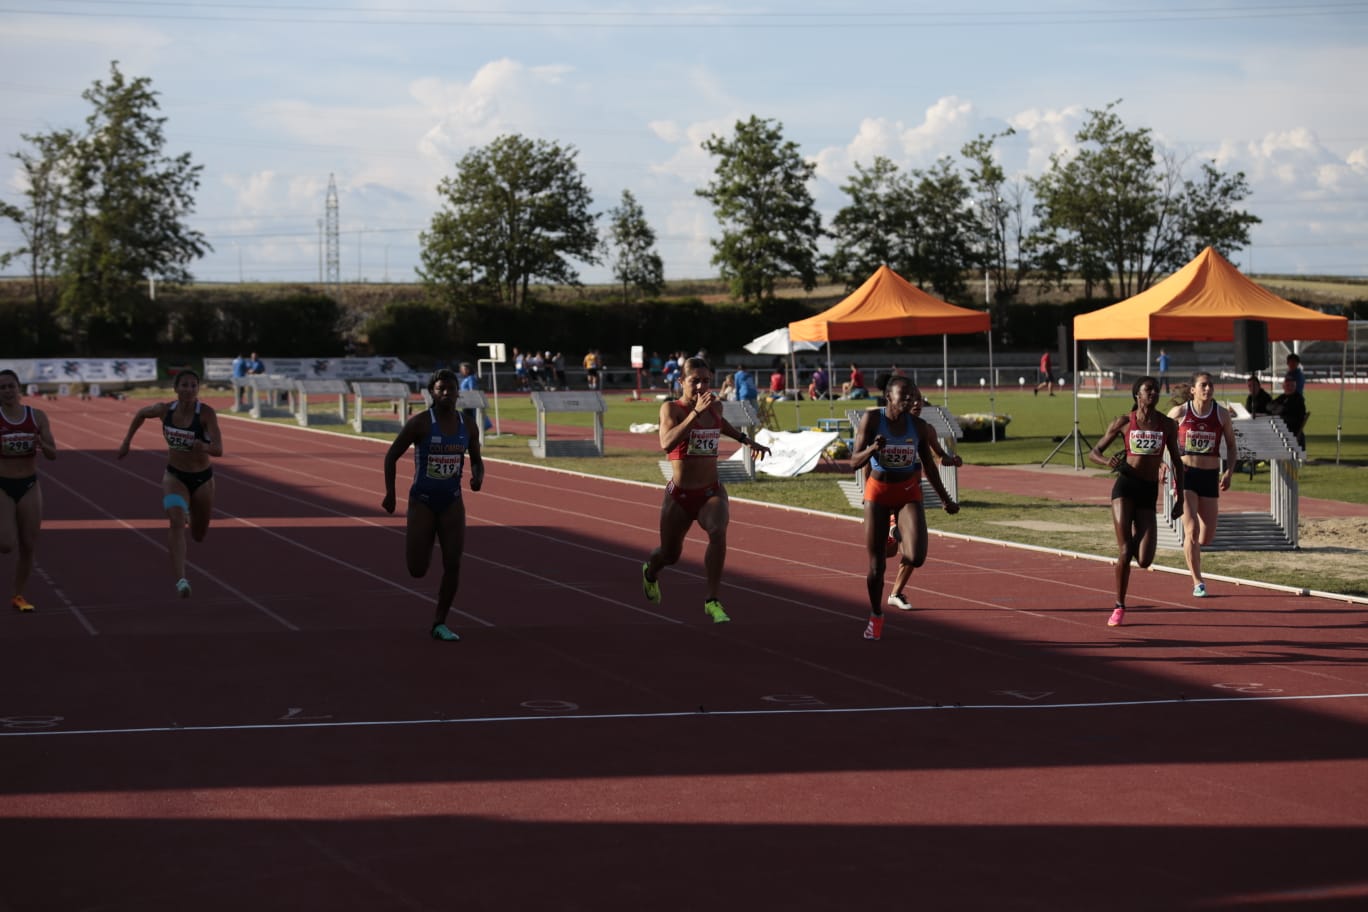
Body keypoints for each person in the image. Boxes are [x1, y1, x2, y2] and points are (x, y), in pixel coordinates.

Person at [641, 357, 770, 623]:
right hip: (679, 495)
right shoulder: (671, 409)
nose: (701, 386)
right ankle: (650, 572)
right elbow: (666, 442)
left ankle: (712, 600)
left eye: (706, 381)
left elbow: (720, 423)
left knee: (717, 531)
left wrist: (745, 440)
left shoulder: (715, 406)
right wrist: (695, 413)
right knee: (670, 554)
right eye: (694, 381)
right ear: (681, 382)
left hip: (711, 492)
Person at [850, 376, 959, 640]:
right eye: (905, 396)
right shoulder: (872, 420)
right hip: (878, 493)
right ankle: (876, 615)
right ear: (889, 396)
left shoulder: (919, 427)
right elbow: (853, 461)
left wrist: (945, 499)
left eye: (913, 396)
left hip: (908, 492)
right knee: (876, 567)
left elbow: (930, 467)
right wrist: (873, 449)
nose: (911, 400)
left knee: (917, 555)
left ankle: (895, 531)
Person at [382, 368, 484, 641]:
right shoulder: (420, 424)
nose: (447, 394)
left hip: (452, 501)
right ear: (432, 393)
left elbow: (476, 458)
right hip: (422, 502)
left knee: (454, 563)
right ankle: (423, 541)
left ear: (458, 392)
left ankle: (440, 621)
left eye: (451, 389)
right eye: (441, 389)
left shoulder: (468, 425)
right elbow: (391, 456)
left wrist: (477, 476)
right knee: (417, 569)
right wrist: (390, 494)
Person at [116, 369, 224, 598]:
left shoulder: (205, 414)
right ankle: (181, 579)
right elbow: (140, 414)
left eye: (193, 385)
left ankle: (190, 515)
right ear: (175, 389)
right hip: (174, 476)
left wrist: (203, 446)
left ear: (198, 390)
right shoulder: (164, 410)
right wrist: (126, 442)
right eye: (184, 385)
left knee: (198, 534)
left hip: (202, 479)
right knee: (175, 521)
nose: (188, 389)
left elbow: (219, 449)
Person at [1088, 376, 1183, 627]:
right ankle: (1119, 605)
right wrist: (1106, 461)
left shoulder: (1166, 425)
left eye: (1155, 390)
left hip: (1149, 491)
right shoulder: (1123, 422)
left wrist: (1180, 497)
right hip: (1126, 486)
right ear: (1137, 395)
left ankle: (1133, 532)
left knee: (1144, 559)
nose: (1152, 393)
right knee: (1125, 550)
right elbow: (1093, 453)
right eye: (1147, 390)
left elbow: (1177, 462)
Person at [884, 389, 961, 612]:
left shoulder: (925, 430)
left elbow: (938, 458)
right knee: (888, 553)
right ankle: (890, 526)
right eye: (912, 400)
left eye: (920, 401)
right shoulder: (887, 426)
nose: (917, 404)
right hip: (887, 490)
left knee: (913, 550)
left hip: (911, 492)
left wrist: (951, 460)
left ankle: (896, 593)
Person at [1167, 371, 1237, 598]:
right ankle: (1198, 581)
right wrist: (1162, 465)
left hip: (1209, 476)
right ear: (1193, 390)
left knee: (1207, 537)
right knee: (1192, 532)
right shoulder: (1180, 412)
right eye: (1203, 385)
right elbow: (1161, 438)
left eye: (1210, 386)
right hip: (1186, 474)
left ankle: (1193, 549)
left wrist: (1229, 471)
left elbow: (1232, 447)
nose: (1208, 389)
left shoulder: (1222, 415)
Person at [0, 369, 58, 612]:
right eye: (2, 387)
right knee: (6, 545)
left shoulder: (37, 416)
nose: (7, 391)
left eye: (10, 386)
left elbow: (53, 454)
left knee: (28, 545)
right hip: (2, 484)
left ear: (19, 388)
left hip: (29, 485)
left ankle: (18, 595)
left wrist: (39, 442)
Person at [1270, 374, 1309, 450]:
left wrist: (1279, 414)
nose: (1289, 387)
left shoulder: (1298, 399)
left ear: (1294, 386)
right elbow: (1270, 406)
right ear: (1283, 386)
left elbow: (1296, 418)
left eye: (1291, 385)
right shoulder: (1283, 397)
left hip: (1291, 430)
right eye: (1287, 385)